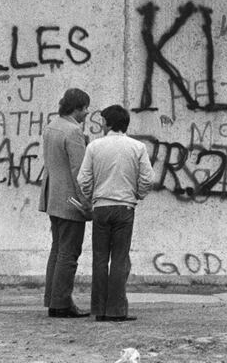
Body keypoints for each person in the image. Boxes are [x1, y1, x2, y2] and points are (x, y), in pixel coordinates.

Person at [77, 104, 155, 322]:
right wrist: (137, 194)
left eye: (103, 121)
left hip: (101, 207)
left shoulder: (94, 147)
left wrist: (93, 195)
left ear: (109, 122)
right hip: (124, 208)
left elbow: (83, 179)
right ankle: (117, 309)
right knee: (120, 259)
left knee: (100, 258)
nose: (101, 124)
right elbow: (148, 179)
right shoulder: (137, 147)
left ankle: (99, 309)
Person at [39, 87, 92, 318]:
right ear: (76, 108)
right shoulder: (73, 132)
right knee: (69, 253)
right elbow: (78, 170)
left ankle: (53, 299)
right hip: (71, 199)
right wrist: (86, 202)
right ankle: (62, 303)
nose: (87, 113)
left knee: (57, 249)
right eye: (85, 108)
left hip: (54, 196)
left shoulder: (52, 126)